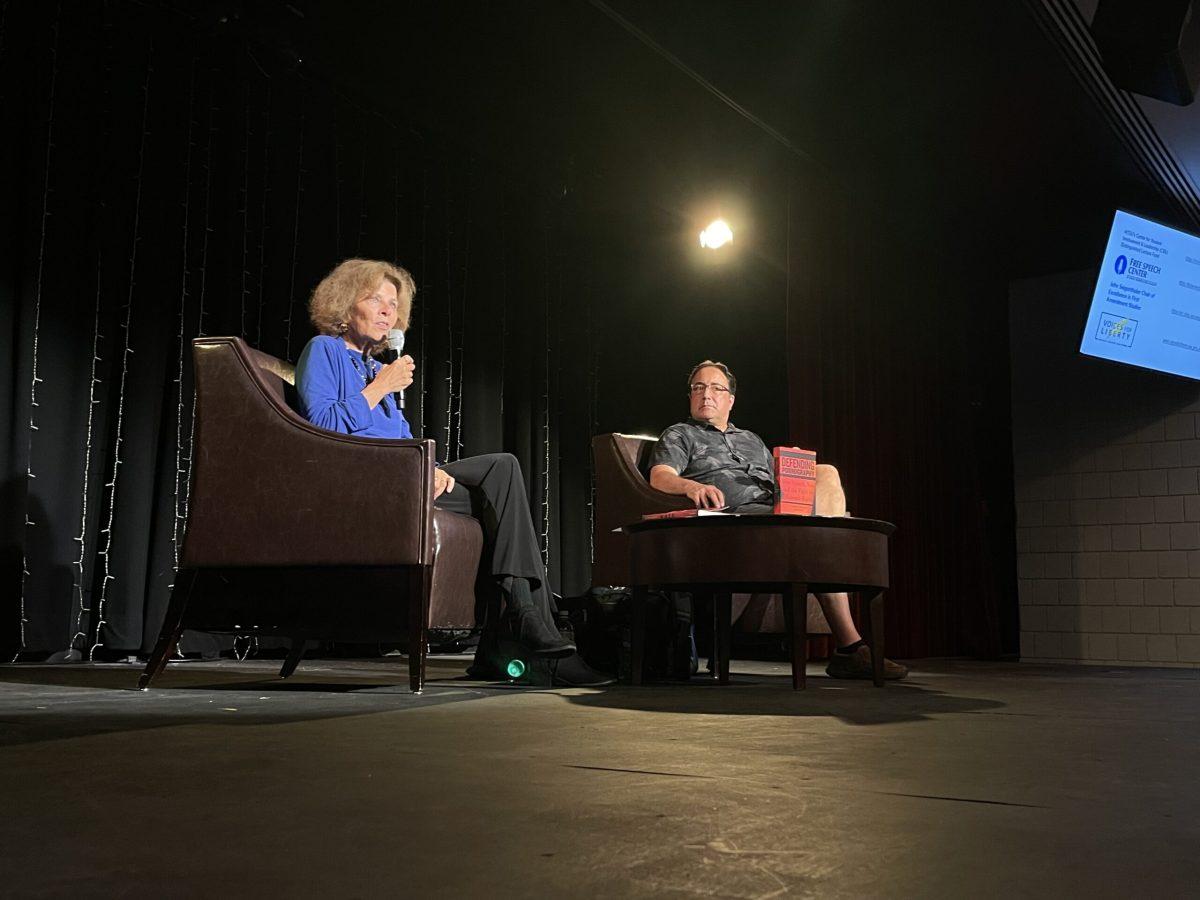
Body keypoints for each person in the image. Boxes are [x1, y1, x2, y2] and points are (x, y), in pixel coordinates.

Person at [294, 258, 612, 687]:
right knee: (501, 472)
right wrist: (381, 388)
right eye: (375, 299)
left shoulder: (374, 366)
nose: (388, 311)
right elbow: (321, 429)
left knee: (500, 478)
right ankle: (529, 627)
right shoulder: (324, 351)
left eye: (394, 303)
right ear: (345, 304)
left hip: (406, 473)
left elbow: (401, 437)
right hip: (366, 482)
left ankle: (511, 635)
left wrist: (435, 470)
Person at [648, 359, 908, 680]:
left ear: (730, 400)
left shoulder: (751, 440)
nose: (706, 394)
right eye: (698, 388)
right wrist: (693, 486)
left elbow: (781, 483)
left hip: (777, 514)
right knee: (821, 537)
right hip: (735, 524)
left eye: (716, 388)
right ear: (689, 397)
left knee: (826, 473)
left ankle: (826, 551)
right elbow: (660, 477)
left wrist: (792, 466)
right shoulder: (680, 434)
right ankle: (849, 646)